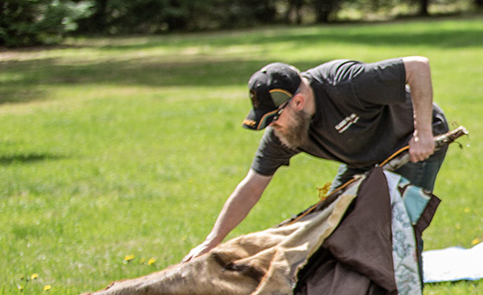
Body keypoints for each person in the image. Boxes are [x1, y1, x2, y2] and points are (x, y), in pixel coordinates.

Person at [185, 56, 449, 261]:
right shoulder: (285, 131)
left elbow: (418, 67)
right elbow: (252, 186)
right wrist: (212, 241)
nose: (272, 128)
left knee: (398, 228)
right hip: (362, 157)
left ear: (298, 102)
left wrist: (423, 132)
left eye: (274, 119)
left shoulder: (344, 83)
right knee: (327, 225)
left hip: (412, 142)